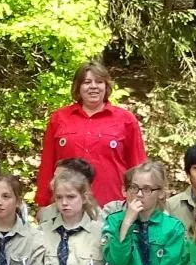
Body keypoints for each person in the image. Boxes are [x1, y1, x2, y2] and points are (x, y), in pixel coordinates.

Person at [35, 62, 147, 208]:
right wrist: (43, 204)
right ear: (78, 87)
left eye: (99, 82)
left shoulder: (126, 120)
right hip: (66, 206)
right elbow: (47, 164)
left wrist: (140, 202)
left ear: (106, 87)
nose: (93, 86)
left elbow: (137, 167)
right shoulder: (59, 118)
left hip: (113, 205)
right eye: (87, 82)